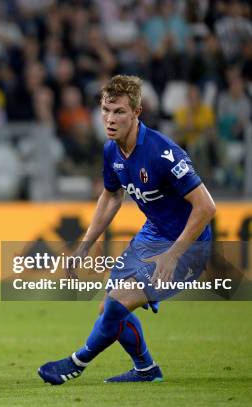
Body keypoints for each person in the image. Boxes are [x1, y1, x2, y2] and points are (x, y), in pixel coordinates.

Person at [38, 75, 216, 384]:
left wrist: (173, 255)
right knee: (109, 307)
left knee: (118, 302)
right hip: (153, 234)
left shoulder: (163, 153)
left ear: (137, 112)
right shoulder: (111, 150)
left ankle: (75, 363)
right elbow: (111, 196)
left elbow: (206, 208)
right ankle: (146, 369)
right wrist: (82, 247)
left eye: (119, 111)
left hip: (188, 245)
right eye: (105, 110)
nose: (109, 118)